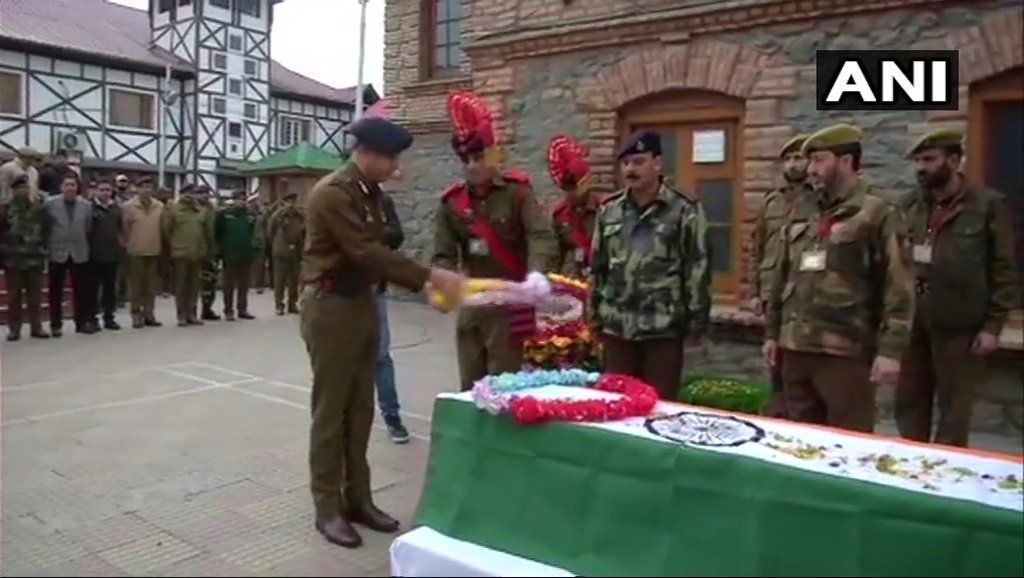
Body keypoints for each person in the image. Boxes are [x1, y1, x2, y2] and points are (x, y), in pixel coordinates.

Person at [301, 116, 464, 549]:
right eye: (390, 158)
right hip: (332, 307)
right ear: (368, 153)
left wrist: (423, 280)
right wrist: (430, 276)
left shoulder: (367, 193)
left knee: (360, 408)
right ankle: (327, 507)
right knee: (331, 409)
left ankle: (358, 498)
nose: (395, 167)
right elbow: (364, 250)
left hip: (362, 304)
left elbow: (379, 250)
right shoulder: (333, 193)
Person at [763, 123, 912, 433]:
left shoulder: (877, 213)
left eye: (819, 160)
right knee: (798, 442)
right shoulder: (803, 210)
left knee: (849, 444)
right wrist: (772, 332)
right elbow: (781, 274)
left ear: (845, 161)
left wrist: (890, 352)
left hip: (845, 352)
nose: (810, 169)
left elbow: (898, 286)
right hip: (795, 348)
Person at [896, 128, 1020, 447]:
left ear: (953, 160)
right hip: (914, 327)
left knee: (954, 412)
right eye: (918, 161)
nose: (921, 168)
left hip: (961, 328)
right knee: (908, 406)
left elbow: (1004, 269)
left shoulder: (987, 205)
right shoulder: (910, 205)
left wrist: (994, 326)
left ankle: (945, 476)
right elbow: (896, 264)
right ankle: (909, 470)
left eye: (929, 159)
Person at [432, 91, 557, 391]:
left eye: (478, 157)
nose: (472, 165)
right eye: (466, 159)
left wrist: (537, 272)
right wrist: (444, 281)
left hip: (512, 302)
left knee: (504, 386)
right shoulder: (452, 203)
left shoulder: (518, 193)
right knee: (470, 386)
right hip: (473, 302)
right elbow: (443, 253)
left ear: (492, 155)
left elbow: (540, 234)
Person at [589, 130, 711, 400]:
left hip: (662, 327)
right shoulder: (609, 210)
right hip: (617, 326)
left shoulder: (684, 209)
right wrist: (594, 315)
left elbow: (697, 265)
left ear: (658, 163)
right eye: (626, 163)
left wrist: (696, 321)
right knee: (615, 404)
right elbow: (598, 266)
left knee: (659, 405)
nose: (631, 169)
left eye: (639, 161)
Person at [747, 134, 814, 418]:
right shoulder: (772, 202)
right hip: (773, 293)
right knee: (776, 364)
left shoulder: (819, 199)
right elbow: (757, 247)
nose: (793, 164)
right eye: (788, 159)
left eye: (798, 158)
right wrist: (753, 291)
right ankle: (779, 415)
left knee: (801, 368)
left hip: (805, 294)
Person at [374, 188, 410, 443]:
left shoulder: (382, 200)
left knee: (381, 356)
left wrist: (373, 231)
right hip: (343, 295)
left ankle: (392, 415)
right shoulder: (337, 197)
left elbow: (397, 234)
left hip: (375, 288)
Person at [0, 175, 50, 340]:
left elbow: (46, 231)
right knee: (14, 298)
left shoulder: (38, 208)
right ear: (13, 190)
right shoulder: (5, 209)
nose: (22, 190)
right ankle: (14, 329)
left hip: (34, 259)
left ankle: (37, 327)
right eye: (19, 188)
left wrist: (44, 249)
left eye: (25, 187)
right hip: (13, 260)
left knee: (34, 297)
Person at [45, 173, 95, 336]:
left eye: (73, 185)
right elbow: (47, 226)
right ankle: (55, 325)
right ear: (61, 187)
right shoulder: (50, 203)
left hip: (79, 252)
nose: (70, 188)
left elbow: (88, 227)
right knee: (55, 291)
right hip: (57, 251)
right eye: (66, 185)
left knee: (81, 290)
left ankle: (81, 323)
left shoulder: (86, 205)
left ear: (77, 188)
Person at [547, 135, 599, 278]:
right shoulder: (560, 215)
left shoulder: (605, 210)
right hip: (572, 282)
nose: (576, 194)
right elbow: (555, 256)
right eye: (570, 189)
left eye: (582, 185)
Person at [163, 183, 211, 326]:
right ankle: (181, 315)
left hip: (196, 253)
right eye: (186, 192)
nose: (189, 195)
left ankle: (192, 313)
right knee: (181, 286)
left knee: (194, 286)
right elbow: (167, 231)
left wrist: (203, 249)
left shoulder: (200, 210)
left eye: (192, 192)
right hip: (180, 253)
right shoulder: (173, 210)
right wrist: (175, 245)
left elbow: (203, 232)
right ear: (181, 194)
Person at [122, 176, 165, 328]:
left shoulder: (159, 206)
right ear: (137, 188)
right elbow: (124, 230)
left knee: (151, 286)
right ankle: (136, 314)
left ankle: (149, 314)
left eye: (149, 187)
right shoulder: (128, 206)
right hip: (136, 252)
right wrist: (128, 246)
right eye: (143, 187)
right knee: (136, 286)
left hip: (154, 250)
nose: (146, 190)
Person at [87, 179, 123, 330]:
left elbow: (121, 230)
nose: (105, 192)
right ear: (96, 191)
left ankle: (109, 317)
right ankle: (92, 318)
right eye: (102, 189)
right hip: (94, 255)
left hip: (112, 254)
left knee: (110, 289)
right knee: (93, 289)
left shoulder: (116, 209)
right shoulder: (89, 208)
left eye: (108, 190)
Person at [214, 190, 256, 320]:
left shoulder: (250, 216)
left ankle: (242, 309)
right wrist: (219, 252)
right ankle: (228, 310)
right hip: (229, 254)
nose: (242, 202)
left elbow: (252, 233)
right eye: (239, 199)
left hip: (245, 254)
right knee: (229, 285)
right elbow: (218, 233)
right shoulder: (224, 215)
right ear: (234, 200)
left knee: (244, 285)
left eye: (244, 200)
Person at [268, 190, 304, 315]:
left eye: (293, 201)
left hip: (296, 253)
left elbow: (304, 232)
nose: (291, 204)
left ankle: (292, 304)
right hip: (281, 252)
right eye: (289, 201)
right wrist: (277, 246)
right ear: (284, 202)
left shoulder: (300, 216)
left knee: (294, 280)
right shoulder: (277, 216)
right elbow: (270, 233)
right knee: (280, 281)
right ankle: (279, 305)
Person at [197, 186, 221, 321]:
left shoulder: (212, 209)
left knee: (210, 283)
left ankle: (207, 309)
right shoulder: (194, 209)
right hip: (197, 250)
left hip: (211, 251)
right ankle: (191, 310)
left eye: (207, 193)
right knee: (196, 283)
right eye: (202, 193)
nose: (205, 196)